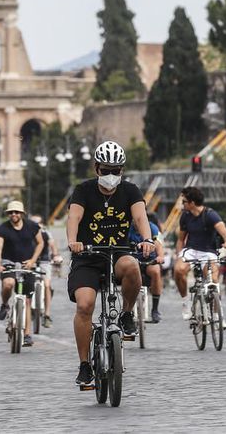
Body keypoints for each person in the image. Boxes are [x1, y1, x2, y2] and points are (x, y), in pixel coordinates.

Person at [66, 140, 154, 386]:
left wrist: (147, 239)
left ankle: (126, 314)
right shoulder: (83, 190)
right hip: (88, 257)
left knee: (133, 266)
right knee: (85, 305)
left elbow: (140, 216)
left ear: (122, 171)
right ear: (96, 169)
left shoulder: (131, 191)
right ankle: (85, 365)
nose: (111, 175)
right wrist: (73, 241)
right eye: (106, 170)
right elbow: (74, 216)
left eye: (116, 171)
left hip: (117, 254)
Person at [173, 186, 226, 320]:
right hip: (191, 250)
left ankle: (218, 314)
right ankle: (186, 302)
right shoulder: (185, 216)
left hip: (208, 252)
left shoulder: (210, 215)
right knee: (178, 270)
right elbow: (180, 240)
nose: (182, 204)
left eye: (184, 202)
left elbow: (225, 233)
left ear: (192, 203)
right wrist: (179, 255)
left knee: (213, 279)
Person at [0, 201, 44, 347]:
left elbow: (40, 243)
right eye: (10, 212)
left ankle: (27, 334)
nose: (13, 215)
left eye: (16, 212)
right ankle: (4, 304)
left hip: (26, 264)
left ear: (22, 213)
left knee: (27, 300)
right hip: (8, 262)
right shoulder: (2, 228)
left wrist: (33, 261)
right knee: (8, 284)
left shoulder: (32, 226)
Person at [128, 218, 165, 322]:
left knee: (156, 271)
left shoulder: (152, 227)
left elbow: (158, 243)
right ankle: (127, 311)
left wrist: (161, 256)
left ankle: (155, 310)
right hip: (132, 259)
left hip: (149, 259)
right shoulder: (127, 227)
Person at [30, 215, 62, 328]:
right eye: (33, 223)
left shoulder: (46, 233)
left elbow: (52, 245)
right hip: (29, 261)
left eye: (38, 223)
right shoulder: (27, 232)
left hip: (44, 261)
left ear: (42, 224)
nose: (36, 225)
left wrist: (56, 256)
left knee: (47, 285)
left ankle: (47, 315)